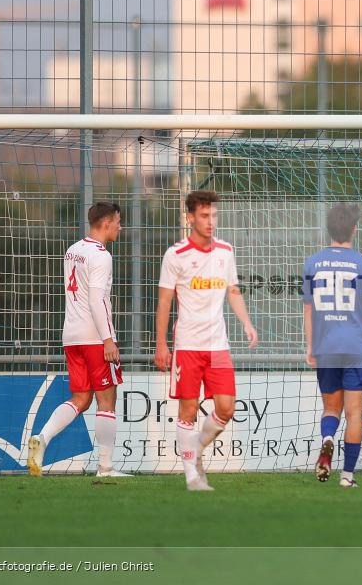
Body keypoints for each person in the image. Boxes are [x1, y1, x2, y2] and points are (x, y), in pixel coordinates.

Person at [154, 190, 259, 491]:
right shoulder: (175, 255)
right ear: (190, 217)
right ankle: (191, 477)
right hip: (187, 345)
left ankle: (195, 451)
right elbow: (164, 302)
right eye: (204, 215)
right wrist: (161, 344)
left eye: (214, 215)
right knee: (188, 410)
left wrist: (247, 324)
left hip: (218, 346)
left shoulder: (225, 251)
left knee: (227, 408)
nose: (211, 221)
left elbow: (233, 291)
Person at [28, 202, 128, 478]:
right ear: (106, 223)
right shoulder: (101, 256)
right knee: (107, 400)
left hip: (71, 336)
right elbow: (97, 301)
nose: (121, 226)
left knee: (81, 398)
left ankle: (42, 438)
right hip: (95, 338)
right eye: (118, 221)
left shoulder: (73, 250)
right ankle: (106, 468)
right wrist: (108, 339)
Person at [303, 203, 362, 488]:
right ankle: (347, 477)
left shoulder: (312, 263)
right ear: (354, 229)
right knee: (354, 414)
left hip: (326, 346)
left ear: (328, 229)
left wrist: (310, 346)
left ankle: (327, 440)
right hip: (357, 346)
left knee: (330, 409)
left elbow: (308, 310)